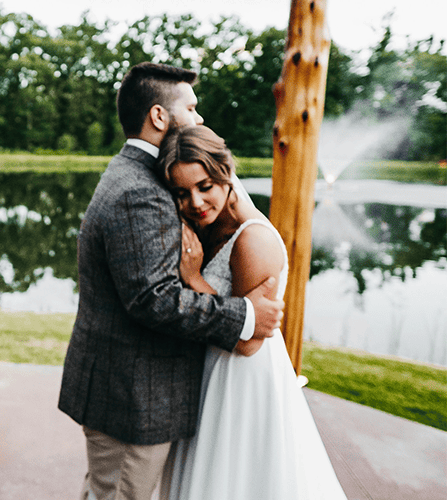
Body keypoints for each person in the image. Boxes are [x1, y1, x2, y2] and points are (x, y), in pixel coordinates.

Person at [57, 61, 285, 500]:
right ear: (160, 116)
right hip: (133, 397)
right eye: (192, 108)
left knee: (105, 491)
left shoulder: (135, 174)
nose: (199, 118)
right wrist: (245, 316)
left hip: (123, 388)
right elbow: (152, 299)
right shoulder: (142, 189)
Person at [157, 125, 348, 500]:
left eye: (204, 186)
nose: (195, 202)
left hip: (240, 381)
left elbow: (248, 342)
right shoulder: (207, 226)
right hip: (210, 371)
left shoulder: (252, 240)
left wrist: (194, 277)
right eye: (182, 193)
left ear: (226, 175)